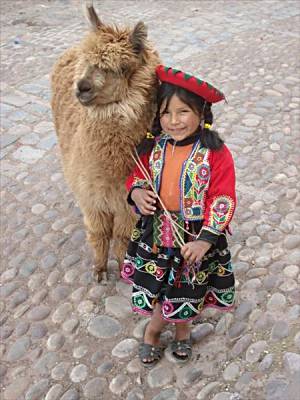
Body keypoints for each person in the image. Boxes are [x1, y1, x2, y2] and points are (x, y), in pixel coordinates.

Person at [121, 65, 236, 367]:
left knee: (188, 289)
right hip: (155, 236)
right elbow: (137, 176)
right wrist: (136, 192)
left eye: (183, 111)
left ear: (201, 112)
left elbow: (222, 198)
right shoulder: (152, 148)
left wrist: (205, 240)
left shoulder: (215, 154)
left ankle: (181, 332)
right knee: (160, 290)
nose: (173, 121)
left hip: (194, 239)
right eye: (165, 114)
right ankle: (154, 332)